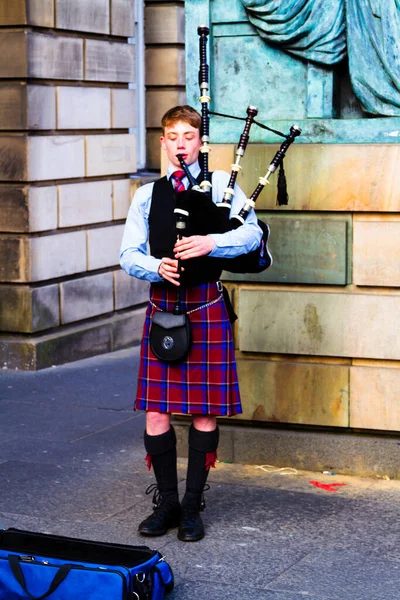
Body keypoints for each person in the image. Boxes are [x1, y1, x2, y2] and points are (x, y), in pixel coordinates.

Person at [120, 105, 262, 542]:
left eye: (188, 135)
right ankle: (167, 502)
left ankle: (193, 507)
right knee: (157, 412)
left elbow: (253, 234)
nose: (181, 143)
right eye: (172, 136)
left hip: (205, 308)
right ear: (162, 142)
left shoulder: (222, 187)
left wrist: (211, 243)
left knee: (203, 413)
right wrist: (154, 267)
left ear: (201, 142)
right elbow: (128, 254)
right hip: (163, 310)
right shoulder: (148, 195)